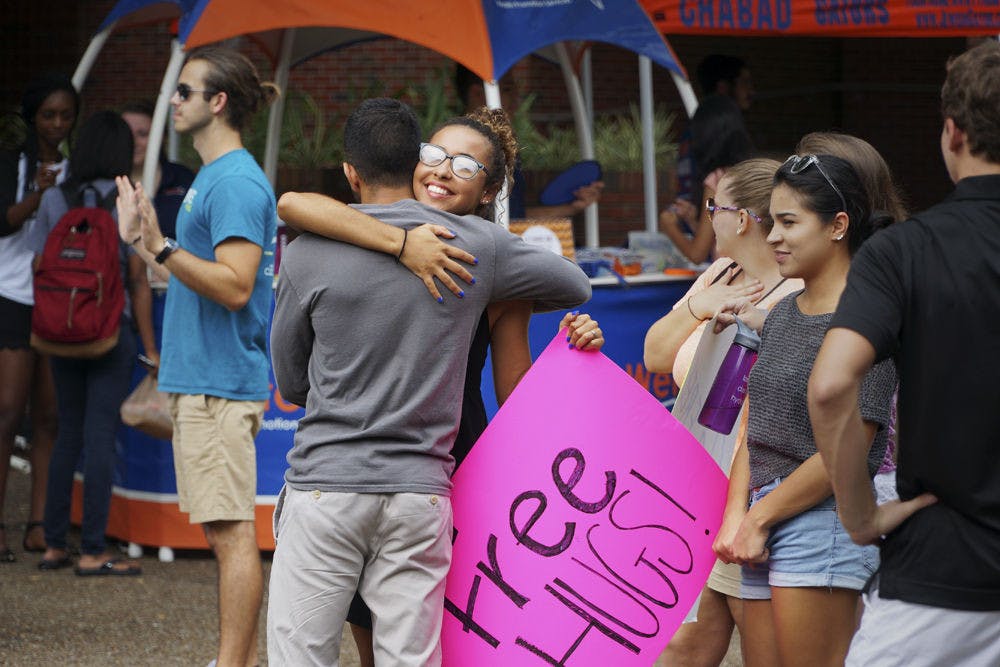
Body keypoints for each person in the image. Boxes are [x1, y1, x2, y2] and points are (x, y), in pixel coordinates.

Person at [267, 97, 592, 666]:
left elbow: (292, 380)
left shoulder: (311, 249)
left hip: (342, 477)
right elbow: (574, 283)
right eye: (436, 155)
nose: (444, 170)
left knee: (305, 654)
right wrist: (405, 243)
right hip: (422, 486)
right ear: (412, 159)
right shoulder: (479, 250)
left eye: (464, 165)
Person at [808, 41, 1000, 666]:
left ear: (952, 132)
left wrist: (859, 513)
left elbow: (832, 385)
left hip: (944, 576)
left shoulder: (904, 251)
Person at [115, 46, 279, 667]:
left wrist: (156, 248)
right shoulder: (212, 177)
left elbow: (236, 286)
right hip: (204, 380)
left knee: (233, 534)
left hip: (220, 386)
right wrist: (144, 241)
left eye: (185, 91)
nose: (173, 100)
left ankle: (231, 664)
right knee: (222, 530)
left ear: (219, 103)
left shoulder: (233, 181)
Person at [713, 154, 897, 666]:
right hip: (764, 521)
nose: (772, 236)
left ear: (838, 226)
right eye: (772, 221)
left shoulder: (868, 321)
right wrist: (737, 517)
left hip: (825, 525)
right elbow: (756, 427)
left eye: (790, 222)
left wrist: (757, 519)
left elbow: (850, 449)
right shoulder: (781, 316)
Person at [644, 158, 802, 666]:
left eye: (716, 207)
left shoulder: (796, 293)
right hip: (691, 488)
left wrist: (743, 513)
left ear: (742, 219)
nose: (709, 216)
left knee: (756, 641)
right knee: (680, 641)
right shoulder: (718, 272)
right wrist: (699, 306)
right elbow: (655, 356)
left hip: (750, 492)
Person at [31, 111, 155, 576]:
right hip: (108, 334)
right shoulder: (127, 199)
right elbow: (139, 280)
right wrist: (150, 347)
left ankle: (54, 544)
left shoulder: (55, 198)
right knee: (101, 435)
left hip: (59, 335)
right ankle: (94, 549)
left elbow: (40, 264)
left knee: (68, 433)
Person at [0, 73, 78, 562]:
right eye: (48, 114)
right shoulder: (12, 163)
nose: (56, 123)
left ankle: (39, 527)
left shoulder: (78, 171)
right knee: (7, 412)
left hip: (58, 301)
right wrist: (37, 193)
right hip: (10, 292)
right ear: (32, 118)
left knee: (49, 416)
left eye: (65, 115)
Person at [453, 65, 604, 220]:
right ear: (477, 93)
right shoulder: (473, 150)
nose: (517, 97)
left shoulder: (499, 144)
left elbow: (512, 216)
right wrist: (569, 209)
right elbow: (506, 220)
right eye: (508, 89)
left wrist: (571, 206)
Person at [659, 94, 754, 264]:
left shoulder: (717, 180)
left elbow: (697, 254)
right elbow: (722, 237)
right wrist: (693, 221)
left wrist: (670, 227)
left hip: (730, 280)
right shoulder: (750, 174)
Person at [121, 100, 196, 242]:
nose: (133, 142)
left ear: (161, 137)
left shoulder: (183, 179)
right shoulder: (106, 183)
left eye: (142, 134)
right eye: (127, 134)